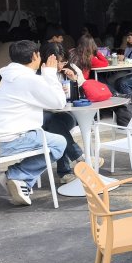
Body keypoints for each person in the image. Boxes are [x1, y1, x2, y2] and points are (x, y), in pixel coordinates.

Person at [0, 40, 67, 206]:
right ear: (35, 56)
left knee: (54, 128)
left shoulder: (8, 77)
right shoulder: (28, 79)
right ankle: (16, 175)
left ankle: (21, 181)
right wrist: (50, 74)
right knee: (59, 143)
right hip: (7, 141)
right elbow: (59, 103)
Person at [39, 42, 85, 184]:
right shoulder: (39, 74)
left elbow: (79, 98)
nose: (60, 66)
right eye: (57, 62)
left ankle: (68, 169)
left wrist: (74, 81)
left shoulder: (71, 69)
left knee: (57, 125)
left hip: (65, 115)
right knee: (55, 124)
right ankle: (77, 158)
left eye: (63, 62)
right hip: (45, 116)